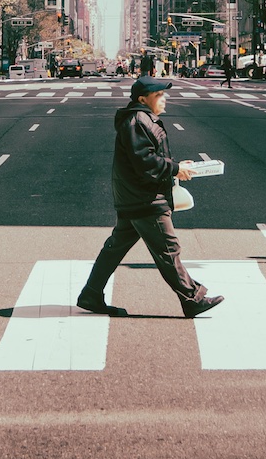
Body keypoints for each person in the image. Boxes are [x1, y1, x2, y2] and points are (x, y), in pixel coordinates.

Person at [76, 75, 224, 319]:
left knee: (115, 248)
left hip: (134, 196)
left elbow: (148, 157)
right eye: (159, 96)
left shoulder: (140, 119)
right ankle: (193, 298)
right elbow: (144, 162)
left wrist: (177, 165)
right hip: (145, 198)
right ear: (143, 99)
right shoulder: (137, 121)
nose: (164, 100)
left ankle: (91, 294)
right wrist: (175, 169)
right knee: (169, 250)